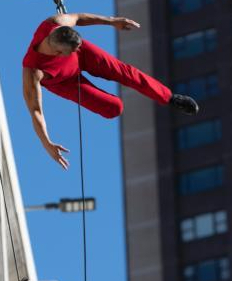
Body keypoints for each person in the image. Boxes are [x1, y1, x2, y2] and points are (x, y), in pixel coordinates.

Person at [22, 12, 200, 169]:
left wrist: (112, 21)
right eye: (71, 51)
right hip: (65, 81)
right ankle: (112, 99)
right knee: (114, 108)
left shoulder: (55, 22)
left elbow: (78, 18)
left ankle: (169, 97)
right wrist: (47, 143)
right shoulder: (33, 72)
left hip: (85, 56)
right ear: (59, 53)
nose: (74, 50)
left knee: (126, 72)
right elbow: (35, 110)